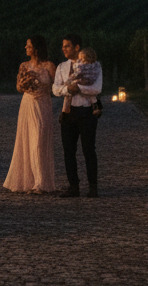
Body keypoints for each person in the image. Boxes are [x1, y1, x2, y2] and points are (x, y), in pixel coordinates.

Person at [2, 35, 57, 194]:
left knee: (39, 141)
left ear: (36, 48)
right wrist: (27, 82)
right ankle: (28, 181)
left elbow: (55, 88)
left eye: (29, 46)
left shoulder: (49, 66)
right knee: (26, 140)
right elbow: (19, 87)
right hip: (27, 103)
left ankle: (41, 182)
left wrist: (40, 83)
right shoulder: (24, 65)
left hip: (42, 103)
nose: (26, 48)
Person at [53, 34, 102, 198]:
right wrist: (68, 90)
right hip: (68, 112)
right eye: (63, 46)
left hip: (87, 111)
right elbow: (56, 89)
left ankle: (93, 187)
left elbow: (97, 88)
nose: (63, 49)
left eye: (67, 46)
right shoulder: (61, 67)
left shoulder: (94, 66)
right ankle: (73, 186)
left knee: (89, 149)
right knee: (68, 150)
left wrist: (79, 89)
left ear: (77, 47)